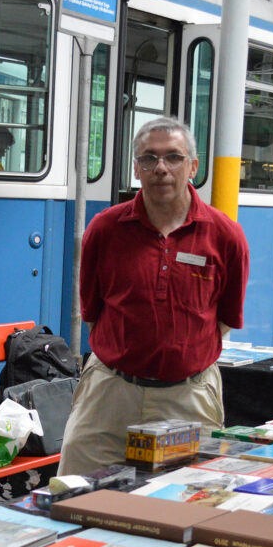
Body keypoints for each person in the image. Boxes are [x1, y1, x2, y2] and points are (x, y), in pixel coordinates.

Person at [57, 116, 250, 475]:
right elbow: (93, 311)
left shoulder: (225, 236)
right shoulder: (105, 229)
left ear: (193, 166)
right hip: (110, 393)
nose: (161, 168)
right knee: (74, 495)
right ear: (136, 168)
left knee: (183, 507)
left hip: (188, 397)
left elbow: (224, 319)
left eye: (173, 157)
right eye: (149, 158)